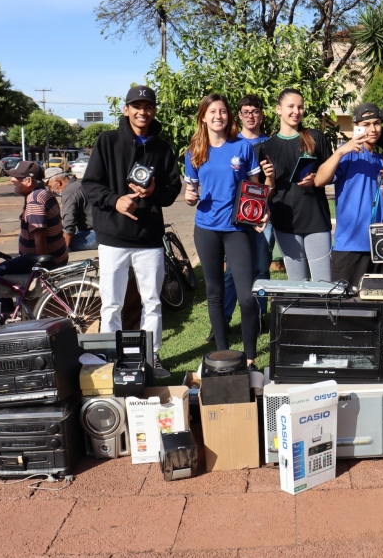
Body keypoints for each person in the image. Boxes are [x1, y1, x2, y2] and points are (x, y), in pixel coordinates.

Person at [81, 85, 182, 377]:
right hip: (113, 237)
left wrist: (153, 191)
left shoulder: (162, 148)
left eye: (148, 106)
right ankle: (109, 356)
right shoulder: (107, 141)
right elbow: (90, 185)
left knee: (152, 300)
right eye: (136, 106)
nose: (142, 111)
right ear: (126, 110)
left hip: (149, 239)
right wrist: (116, 200)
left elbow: (172, 189)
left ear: (153, 111)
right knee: (111, 302)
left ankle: (153, 355)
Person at [184, 93, 266, 369]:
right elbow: (191, 188)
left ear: (228, 116)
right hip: (206, 229)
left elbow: (256, 187)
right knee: (215, 293)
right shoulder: (194, 151)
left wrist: (260, 213)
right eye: (213, 112)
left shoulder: (242, 147)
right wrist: (189, 195)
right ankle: (222, 354)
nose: (218, 116)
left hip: (237, 228)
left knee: (246, 295)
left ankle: (251, 356)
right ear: (203, 117)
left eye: (222, 111)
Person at [314, 103, 383, 287]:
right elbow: (319, 180)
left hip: (379, 244)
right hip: (349, 245)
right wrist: (341, 150)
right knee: (344, 306)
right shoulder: (347, 154)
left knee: (374, 305)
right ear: (357, 126)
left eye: (377, 123)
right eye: (366, 124)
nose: (373, 129)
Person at [259, 88, 333, 284]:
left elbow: (333, 175)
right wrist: (270, 180)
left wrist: (316, 177)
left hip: (316, 219)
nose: (296, 111)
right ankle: (301, 316)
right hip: (285, 223)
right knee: (297, 284)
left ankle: (323, 316)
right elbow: (266, 193)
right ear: (278, 110)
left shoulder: (316, 137)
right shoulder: (267, 147)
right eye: (290, 106)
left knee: (323, 284)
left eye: (300, 107)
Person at [214, 95, 272, 342]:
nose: (250, 115)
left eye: (255, 111)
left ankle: (259, 319)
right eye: (246, 111)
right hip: (233, 218)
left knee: (261, 267)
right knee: (230, 273)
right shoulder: (231, 143)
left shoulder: (271, 143)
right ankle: (223, 320)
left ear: (262, 115)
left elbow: (270, 184)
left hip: (261, 214)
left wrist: (271, 177)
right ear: (239, 115)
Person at [0, 161, 68, 276]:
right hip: (58, 255)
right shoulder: (43, 193)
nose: (12, 179)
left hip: (46, 260)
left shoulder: (35, 200)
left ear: (28, 181)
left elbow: (40, 236)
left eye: (16, 177)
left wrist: (44, 268)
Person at [47, 173, 97, 251]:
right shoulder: (78, 184)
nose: (52, 190)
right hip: (102, 232)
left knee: (55, 245)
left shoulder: (69, 192)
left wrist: (64, 247)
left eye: (50, 186)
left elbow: (69, 222)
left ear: (58, 182)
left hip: (96, 234)